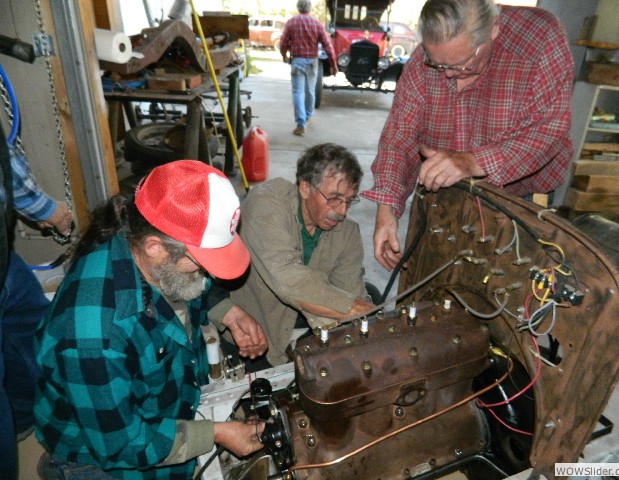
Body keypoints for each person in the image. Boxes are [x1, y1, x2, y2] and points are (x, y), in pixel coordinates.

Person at [34, 160, 267, 480]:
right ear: (155, 247)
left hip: (163, 411)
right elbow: (121, 445)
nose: (208, 275)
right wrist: (215, 433)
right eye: (201, 263)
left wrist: (225, 310)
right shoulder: (91, 335)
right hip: (102, 458)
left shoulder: (147, 245)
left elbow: (193, 287)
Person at [361, 0, 573, 271]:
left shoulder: (539, 39)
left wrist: (474, 161)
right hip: (446, 192)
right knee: (433, 282)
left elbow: (549, 129)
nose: (450, 76)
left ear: (493, 29)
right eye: (438, 65)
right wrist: (386, 208)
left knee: (510, 288)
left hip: (521, 196)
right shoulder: (425, 59)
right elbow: (399, 138)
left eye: (462, 65)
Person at [230, 143, 374, 368]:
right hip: (254, 330)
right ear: (305, 188)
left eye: (349, 200)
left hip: (304, 326)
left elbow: (351, 291)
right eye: (334, 198)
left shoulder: (348, 231)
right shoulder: (267, 203)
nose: (342, 211)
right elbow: (288, 278)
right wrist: (354, 309)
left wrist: (364, 317)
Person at [0, 125, 73, 480]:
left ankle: (26, 418)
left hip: (4, 264)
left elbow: (5, 161)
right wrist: (52, 211)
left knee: (29, 319)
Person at [280, 0, 338, 136]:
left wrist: (284, 55)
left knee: (297, 92)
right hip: (312, 62)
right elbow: (327, 46)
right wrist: (333, 64)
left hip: (297, 61)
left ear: (298, 8)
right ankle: (308, 117)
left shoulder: (291, 22)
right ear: (309, 8)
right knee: (310, 91)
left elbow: (283, 43)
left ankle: (301, 123)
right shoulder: (317, 24)